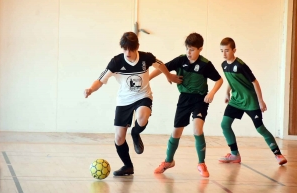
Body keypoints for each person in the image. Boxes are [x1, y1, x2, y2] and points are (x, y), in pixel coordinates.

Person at [84, 32, 182, 176]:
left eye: (131, 49)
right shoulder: (116, 62)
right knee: (119, 138)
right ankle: (128, 166)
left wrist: (169, 75)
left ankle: (135, 133)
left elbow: (161, 65)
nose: (128, 53)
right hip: (124, 101)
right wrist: (91, 89)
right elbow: (100, 80)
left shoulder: (146, 57)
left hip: (143, 96)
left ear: (137, 47)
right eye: (125, 49)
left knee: (142, 117)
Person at [150, 33, 223, 177]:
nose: (189, 53)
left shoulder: (205, 64)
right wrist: (147, 80)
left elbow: (219, 80)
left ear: (200, 49)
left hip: (200, 100)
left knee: (197, 130)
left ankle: (201, 163)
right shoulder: (180, 60)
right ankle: (168, 161)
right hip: (184, 99)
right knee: (176, 132)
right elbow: (161, 67)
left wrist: (212, 93)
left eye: (192, 50)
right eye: (187, 49)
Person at [218, 37, 287, 165]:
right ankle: (234, 155)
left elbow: (254, 82)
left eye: (226, 50)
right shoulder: (224, 65)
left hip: (250, 101)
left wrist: (261, 101)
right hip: (236, 101)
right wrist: (227, 92)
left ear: (234, 50)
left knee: (260, 128)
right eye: (221, 51)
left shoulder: (241, 65)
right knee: (224, 124)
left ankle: (278, 154)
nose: (224, 54)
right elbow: (230, 80)